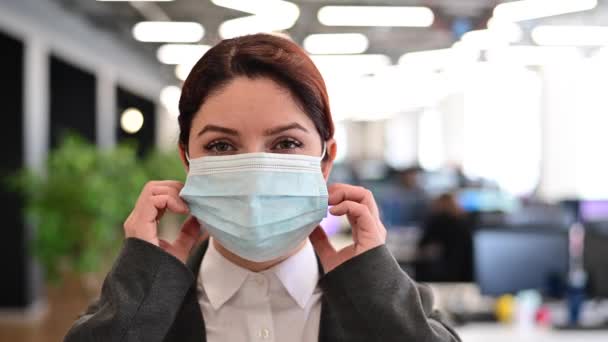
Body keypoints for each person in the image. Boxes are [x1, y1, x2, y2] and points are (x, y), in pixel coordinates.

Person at [64, 34, 460, 342]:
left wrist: (374, 294)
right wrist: (142, 283)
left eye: (286, 143)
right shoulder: (137, 305)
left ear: (324, 160)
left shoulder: (383, 300)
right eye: (221, 145)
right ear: (188, 160)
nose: (254, 175)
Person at [416, 193, 474, 283]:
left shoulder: (436, 221)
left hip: (437, 275)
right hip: (464, 274)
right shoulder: (465, 223)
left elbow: (422, 246)